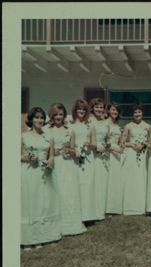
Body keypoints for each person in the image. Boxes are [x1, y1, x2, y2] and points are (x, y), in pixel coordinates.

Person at [21, 107, 61, 250]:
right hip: (30, 173)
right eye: (37, 117)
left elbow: (51, 155)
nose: (40, 120)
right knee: (31, 203)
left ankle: (45, 237)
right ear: (31, 119)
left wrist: (50, 161)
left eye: (42, 118)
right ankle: (29, 239)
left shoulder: (48, 136)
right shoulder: (24, 136)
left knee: (45, 204)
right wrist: (27, 158)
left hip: (45, 174)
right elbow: (18, 156)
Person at [47, 103, 86, 236]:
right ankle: (57, 224)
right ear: (52, 115)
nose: (59, 117)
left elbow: (74, 149)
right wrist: (53, 152)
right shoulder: (47, 130)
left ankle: (72, 224)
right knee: (57, 191)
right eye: (56, 114)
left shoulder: (70, 130)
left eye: (61, 114)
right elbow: (43, 148)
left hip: (68, 164)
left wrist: (69, 150)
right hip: (55, 164)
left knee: (70, 192)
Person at [70, 99, 102, 224]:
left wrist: (89, 145)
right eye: (79, 109)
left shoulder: (91, 126)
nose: (81, 111)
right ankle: (77, 214)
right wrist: (75, 151)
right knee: (76, 184)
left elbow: (95, 145)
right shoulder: (70, 125)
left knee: (88, 185)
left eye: (84, 109)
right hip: (75, 158)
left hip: (88, 159)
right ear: (75, 110)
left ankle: (88, 216)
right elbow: (69, 144)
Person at [120, 103, 151, 215]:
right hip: (132, 154)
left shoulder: (148, 127)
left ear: (142, 113)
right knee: (131, 178)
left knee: (142, 178)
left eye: (139, 112)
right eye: (135, 112)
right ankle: (130, 206)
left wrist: (143, 145)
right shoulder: (128, 126)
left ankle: (141, 206)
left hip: (142, 154)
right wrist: (132, 145)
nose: (137, 114)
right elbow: (122, 143)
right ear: (132, 114)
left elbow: (149, 142)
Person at [89, 97, 109, 218]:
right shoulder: (90, 121)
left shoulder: (105, 122)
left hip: (104, 155)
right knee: (95, 181)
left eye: (101, 107)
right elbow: (88, 138)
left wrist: (107, 146)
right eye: (97, 107)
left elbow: (107, 138)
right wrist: (96, 148)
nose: (99, 109)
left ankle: (101, 210)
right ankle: (94, 211)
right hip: (93, 154)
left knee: (103, 182)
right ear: (92, 108)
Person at [105, 102, 124, 215]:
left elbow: (119, 140)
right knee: (108, 180)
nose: (114, 112)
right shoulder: (105, 124)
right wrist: (115, 148)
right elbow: (105, 141)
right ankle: (107, 207)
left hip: (116, 154)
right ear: (109, 111)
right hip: (109, 153)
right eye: (112, 110)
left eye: (116, 110)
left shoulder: (117, 125)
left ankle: (114, 207)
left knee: (115, 180)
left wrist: (121, 145)